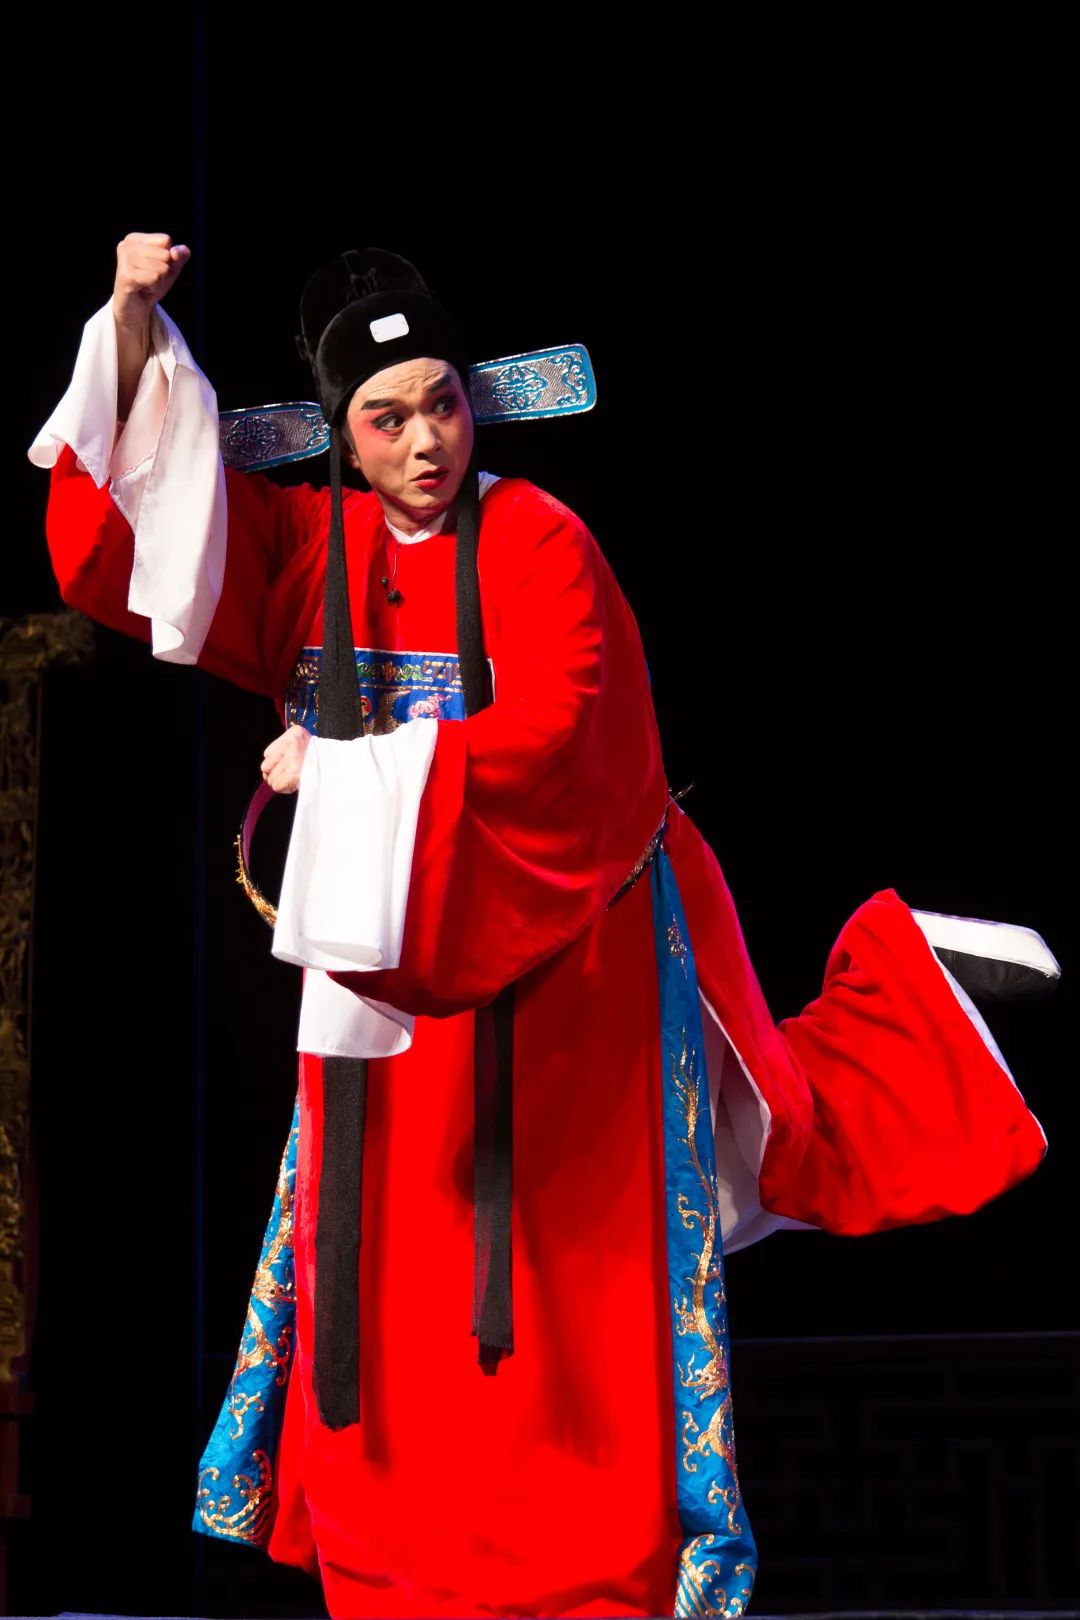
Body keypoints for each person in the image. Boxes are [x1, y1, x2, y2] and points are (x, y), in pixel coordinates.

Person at [29, 233, 1057, 1620]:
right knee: (398, 1275)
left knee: (598, 1259)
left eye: (443, 404)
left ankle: (592, 1561)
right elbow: (134, 548)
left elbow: (563, 733)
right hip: (393, 987)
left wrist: (345, 770)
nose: (424, 444)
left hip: (574, 961)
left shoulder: (540, 539)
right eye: (384, 421)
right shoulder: (305, 548)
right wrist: (129, 327)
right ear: (339, 435)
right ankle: (401, 1565)